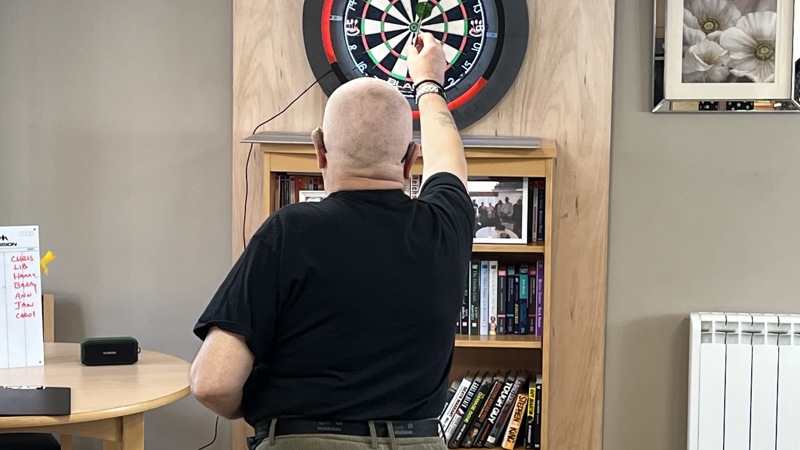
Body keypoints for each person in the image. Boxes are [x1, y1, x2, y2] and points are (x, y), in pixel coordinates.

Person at [190, 32, 473, 450]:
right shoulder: (444, 225)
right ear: (411, 161)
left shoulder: (289, 231)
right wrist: (428, 82)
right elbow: (450, 161)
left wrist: (264, 409)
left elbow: (212, 383)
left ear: (319, 150)